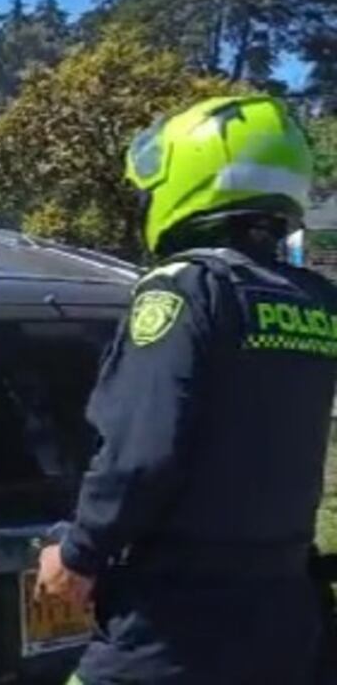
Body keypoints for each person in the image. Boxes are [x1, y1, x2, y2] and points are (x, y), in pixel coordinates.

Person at [36, 94, 336, 684]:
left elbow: (141, 450)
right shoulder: (316, 301)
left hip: (175, 620)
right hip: (283, 610)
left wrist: (79, 553)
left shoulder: (184, 290)